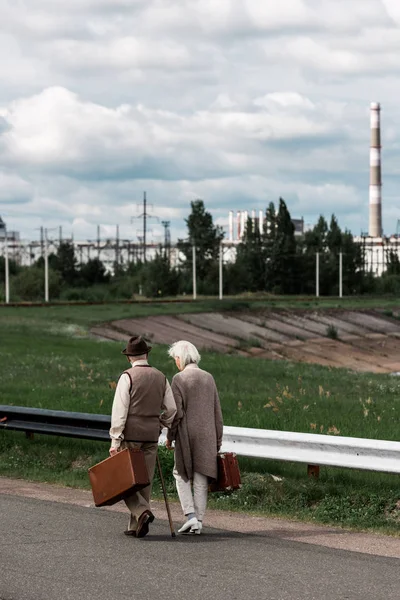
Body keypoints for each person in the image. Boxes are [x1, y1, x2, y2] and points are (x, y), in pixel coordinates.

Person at [109, 335, 176, 538]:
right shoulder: (161, 376)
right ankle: (135, 525)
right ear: (146, 354)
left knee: (123, 481)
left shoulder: (127, 377)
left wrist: (115, 439)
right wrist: (161, 424)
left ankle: (141, 512)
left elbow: (120, 411)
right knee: (144, 480)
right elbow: (172, 409)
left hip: (130, 436)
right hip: (151, 436)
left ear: (129, 357)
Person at [166, 340, 223, 535]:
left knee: (180, 473)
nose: (175, 363)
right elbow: (217, 413)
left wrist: (170, 436)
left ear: (180, 358)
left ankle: (190, 516)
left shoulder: (179, 379)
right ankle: (198, 520)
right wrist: (218, 441)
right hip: (208, 435)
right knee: (201, 477)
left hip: (187, 436)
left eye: (175, 359)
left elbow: (177, 413)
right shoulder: (209, 378)